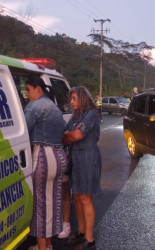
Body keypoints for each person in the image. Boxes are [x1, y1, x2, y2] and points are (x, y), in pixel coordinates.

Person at [24, 76, 68, 250]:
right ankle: (47, 246)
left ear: (38, 89)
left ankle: (43, 248)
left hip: (43, 156)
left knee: (40, 207)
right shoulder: (54, 108)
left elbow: (22, 131)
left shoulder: (35, 106)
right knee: (51, 205)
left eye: (28, 89)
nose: (26, 94)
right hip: (59, 157)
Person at [63, 86, 102, 250]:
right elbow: (66, 138)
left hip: (87, 159)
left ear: (82, 98)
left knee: (85, 198)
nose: (71, 102)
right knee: (77, 197)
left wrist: (69, 135)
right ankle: (81, 231)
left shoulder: (91, 114)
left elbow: (77, 135)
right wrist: (69, 135)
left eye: (74, 99)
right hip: (76, 159)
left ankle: (89, 238)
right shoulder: (76, 117)